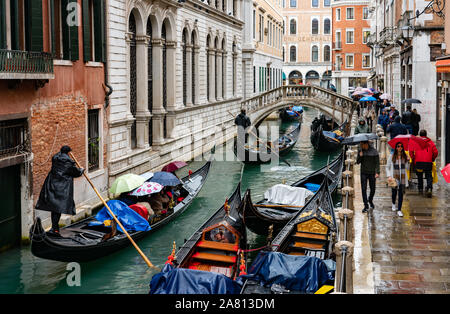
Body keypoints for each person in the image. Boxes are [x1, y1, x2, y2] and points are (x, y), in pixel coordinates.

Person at [35, 146, 84, 236]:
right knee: (58, 209)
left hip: (52, 185)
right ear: (68, 152)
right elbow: (75, 173)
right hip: (62, 188)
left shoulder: (55, 158)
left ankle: (55, 228)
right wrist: (81, 170)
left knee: (54, 208)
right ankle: (55, 229)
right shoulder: (68, 162)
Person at [410, 129, 438, 197]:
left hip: (418, 162)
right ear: (426, 135)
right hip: (428, 162)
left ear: (420, 135)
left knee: (419, 175)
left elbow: (411, 151)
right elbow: (435, 152)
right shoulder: (430, 142)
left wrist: (414, 159)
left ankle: (420, 188)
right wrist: (432, 158)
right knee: (428, 175)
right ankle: (429, 188)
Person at [386, 142, 410, 217]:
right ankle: (393, 204)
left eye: (401, 146)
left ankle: (399, 209)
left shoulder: (405, 156)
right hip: (394, 178)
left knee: (401, 194)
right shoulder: (392, 156)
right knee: (394, 193)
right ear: (396, 148)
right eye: (398, 146)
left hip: (402, 178)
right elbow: (387, 167)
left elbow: (407, 168)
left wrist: (408, 161)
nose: (400, 148)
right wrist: (389, 176)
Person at [356, 141, 380, 213]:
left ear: (367, 144)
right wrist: (360, 156)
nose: (362, 146)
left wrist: (377, 172)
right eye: (361, 145)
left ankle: (370, 200)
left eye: (363, 144)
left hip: (372, 172)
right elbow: (357, 162)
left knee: (373, 189)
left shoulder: (374, 151)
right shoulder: (360, 151)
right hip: (363, 172)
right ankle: (366, 205)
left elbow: (377, 163)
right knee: (363, 189)